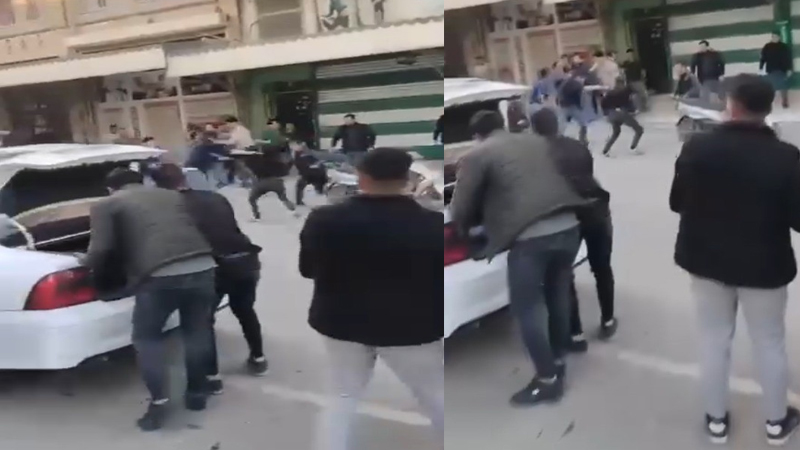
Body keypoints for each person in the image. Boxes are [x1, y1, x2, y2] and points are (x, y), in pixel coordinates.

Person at [670, 73, 800, 446]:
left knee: (713, 341)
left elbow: (677, 202)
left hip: (706, 262)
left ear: (732, 105)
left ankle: (716, 421)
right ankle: (776, 423)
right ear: (767, 109)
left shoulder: (696, 148)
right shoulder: (785, 156)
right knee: (769, 343)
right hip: (764, 265)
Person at [300, 148, 443, 450]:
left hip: (340, 323)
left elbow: (307, 269)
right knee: (435, 395)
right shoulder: (432, 224)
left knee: (341, 396)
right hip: (412, 328)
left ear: (362, 177)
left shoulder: (323, 219)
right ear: (406, 179)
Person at [450, 110, 587, 406]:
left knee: (527, 308)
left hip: (532, 239)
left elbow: (460, 207)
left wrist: (467, 229)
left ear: (477, 135)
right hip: (570, 227)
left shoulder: (478, 154)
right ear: (502, 125)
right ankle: (558, 361)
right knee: (558, 296)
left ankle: (547, 380)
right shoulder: (537, 141)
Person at [82, 168, 217, 431]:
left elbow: (101, 249)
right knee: (196, 332)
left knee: (147, 338)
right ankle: (197, 394)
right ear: (141, 181)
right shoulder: (171, 195)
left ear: (110, 188)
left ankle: (159, 404)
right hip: (203, 266)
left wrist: (85, 263)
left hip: (159, 274)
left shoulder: (106, 204)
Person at [151, 164, 268, 387]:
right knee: (245, 310)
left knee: (202, 321)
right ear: (183, 178)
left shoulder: (170, 206)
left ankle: (212, 377)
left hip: (214, 267)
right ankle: (259, 359)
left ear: (157, 186)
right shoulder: (215, 197)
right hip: (246, 260)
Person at [530, 108, 615, 352]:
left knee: (564, 275)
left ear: (534, 130)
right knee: (602, 268)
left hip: (567, 217)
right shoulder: (577, 146)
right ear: (556, 125)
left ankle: (576, 333)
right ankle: (608, 320)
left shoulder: (535, 155)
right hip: (596, 211)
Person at [245, 142, 298, 220]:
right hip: (277, 182)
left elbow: (250, 170)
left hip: (262, 182)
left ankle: (256, 215)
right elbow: (286, 169)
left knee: (252, 199)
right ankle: (293, 211)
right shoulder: (274, 161)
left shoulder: (254, 161)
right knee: (283, 198)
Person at [600, 78, 644, 157]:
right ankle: (633, 147)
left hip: (611, 114)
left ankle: (606, 150)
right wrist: (633, 110)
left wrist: (606, 114)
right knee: (639, 129)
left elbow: (603, 104)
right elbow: (629, 102)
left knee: (616, 132)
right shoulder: (625, 91)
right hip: (622, 114)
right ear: (623, 83)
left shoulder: (610, 93)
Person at [290, 140, 328, 207]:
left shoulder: (300, 154)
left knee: (300, 185)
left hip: (310, 173)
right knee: (301, 185)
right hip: (313, 173)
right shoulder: (303, 153)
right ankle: (320, 190)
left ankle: (299, 201)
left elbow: (298, 164)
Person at [760, 31, 793, 109]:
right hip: (771, 69)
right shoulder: (767, 46)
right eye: (773, 36)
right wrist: (761, 68)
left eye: (776, 36)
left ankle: (784, 101)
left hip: (782, 69)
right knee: (771, 87)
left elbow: (788, 58)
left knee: (783, 86)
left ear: (779, 37)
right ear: (771, 37)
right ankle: (769, 102)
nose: (775, 38)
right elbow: (763, 58)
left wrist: (789, 69)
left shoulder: (784, 47)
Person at [559, 71, 591, 146]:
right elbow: (581, 98)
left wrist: (560, 103)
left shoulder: (564, 83)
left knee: (562, 123)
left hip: (565, 106)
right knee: (583, 124)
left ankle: (559, 138)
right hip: (575, 107)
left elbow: (560, 94)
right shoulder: (579, 85)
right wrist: (581, 106)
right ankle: (582, 139)